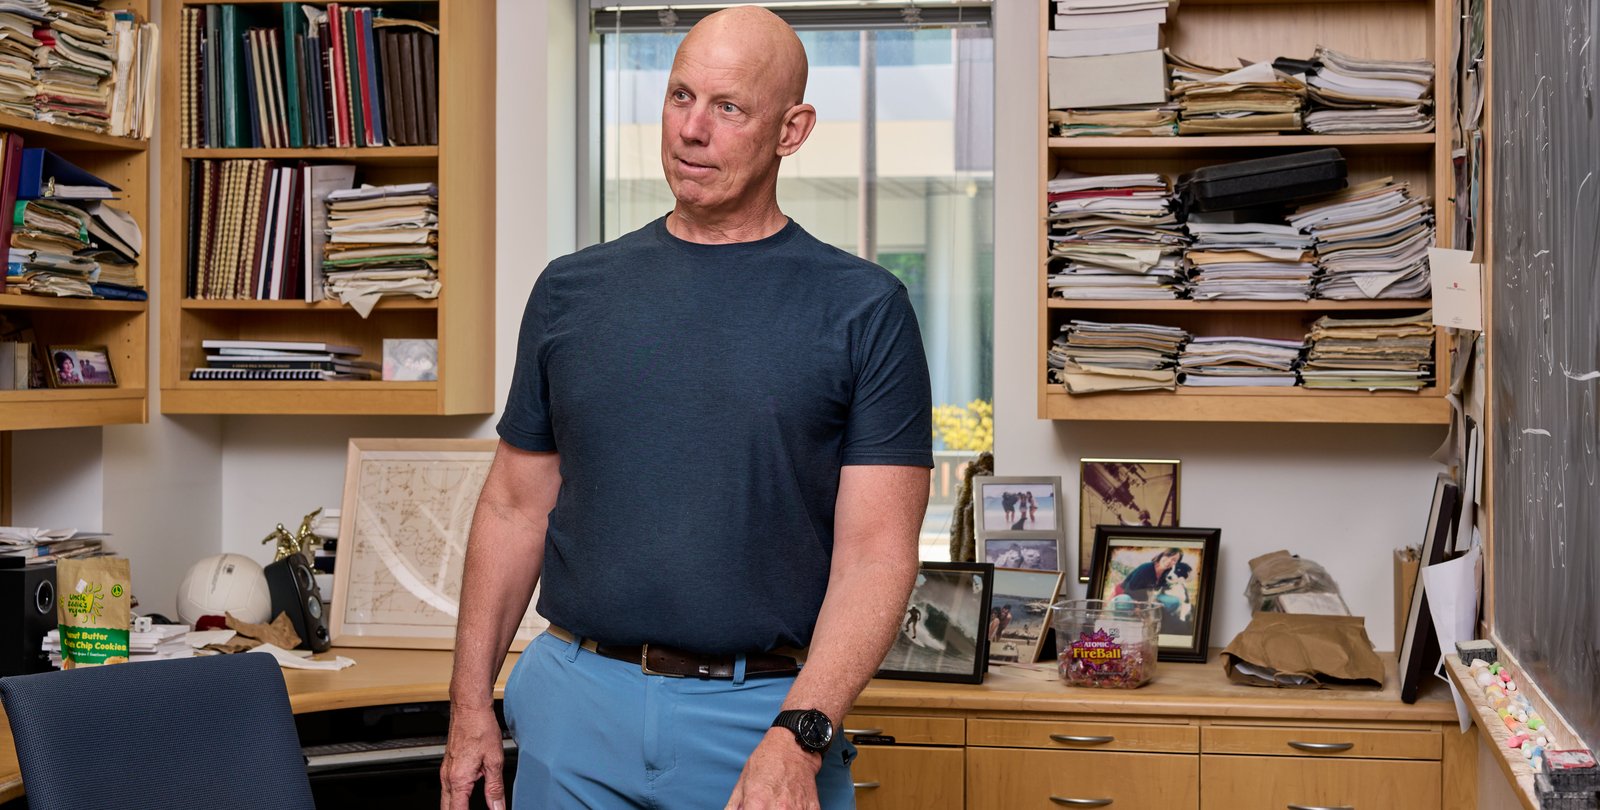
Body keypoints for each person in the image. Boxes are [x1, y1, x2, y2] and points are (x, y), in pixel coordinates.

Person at [439, 7, 933, 810]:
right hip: (572, 705)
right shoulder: (570, 290)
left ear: (792, 129)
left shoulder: (863, 307)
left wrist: (799, 735)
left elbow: (877, 555)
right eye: (679, 97)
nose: (691, 130)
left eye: (728, 107)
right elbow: (512, 510)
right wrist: (469, 706)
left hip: (761, 722)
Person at [1111, 548, 1184, 605]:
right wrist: (1138, 606)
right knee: (1125, 600)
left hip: (1143, 598)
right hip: (1125, 594)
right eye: (1168, 556)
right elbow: (1129, 590)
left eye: (1174, 560)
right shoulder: (1146, 568)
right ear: (1162, 555)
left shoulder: (1167, 573)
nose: (1169, 561)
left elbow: (1161, 590)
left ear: (1176, 564)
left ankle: (1162, 617)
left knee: (1174, 601)